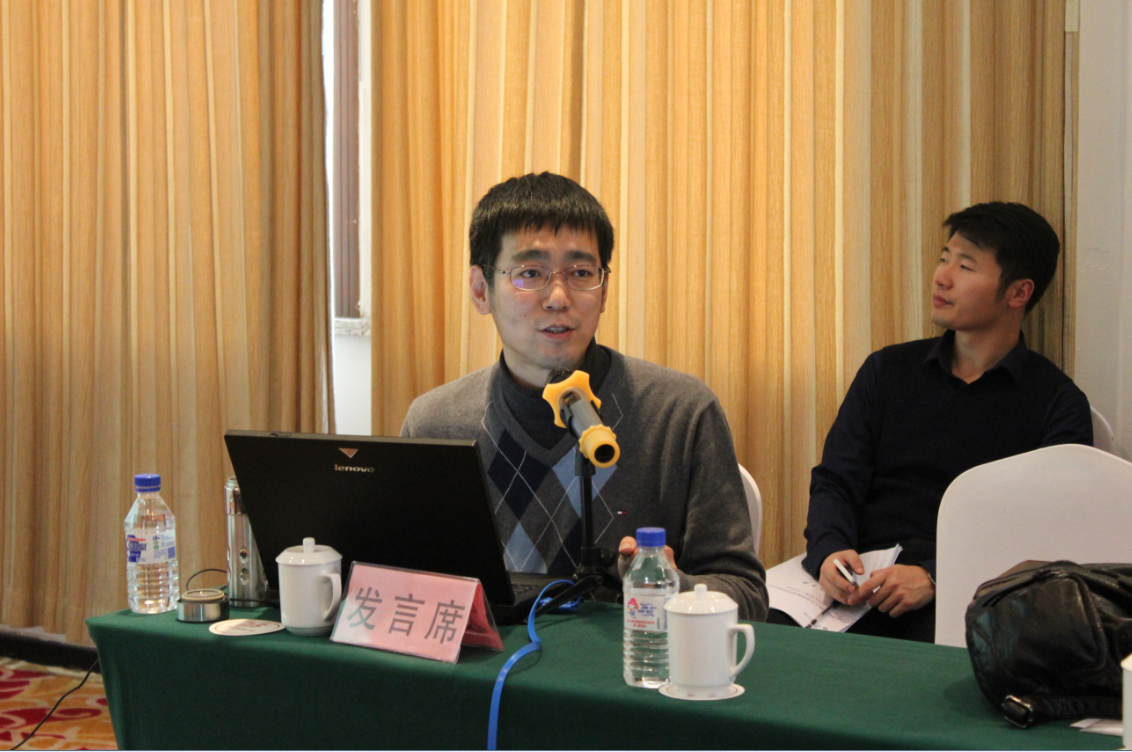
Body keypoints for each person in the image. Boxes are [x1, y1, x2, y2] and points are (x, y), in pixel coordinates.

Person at [401, 172, 768, 620]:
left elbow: (748, 598)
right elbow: (403, 582)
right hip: (493, 663)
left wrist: (671, 587)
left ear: (604, 289)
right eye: (530, 273)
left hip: (628, 662)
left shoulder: (680, 414)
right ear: (481, 290)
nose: (558, 297)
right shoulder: (436, 424)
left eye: (580, 273)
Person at [800, 201, 1093, 642]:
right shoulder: (887, 371)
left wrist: (936, 577)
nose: (942, 277)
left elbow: (1045, 534)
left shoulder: (1058, 404)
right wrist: (829, 552)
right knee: (763, 633)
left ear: (1018, 293)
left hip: (968, 598)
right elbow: (836, 479)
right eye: (944, 259)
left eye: (965, 266)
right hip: (859, 583)